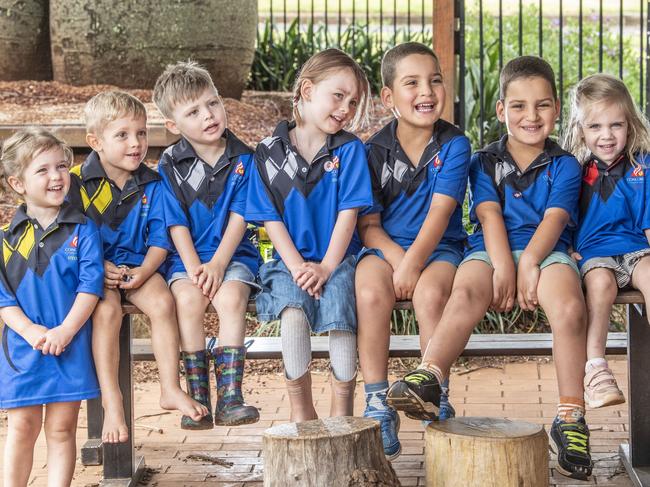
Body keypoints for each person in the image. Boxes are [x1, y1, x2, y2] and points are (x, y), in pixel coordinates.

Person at [387, 56, 593, 480]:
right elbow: (487, 215)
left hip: (548, 252)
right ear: (501, 110)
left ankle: (570, 418)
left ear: (556, 109)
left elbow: (554, 220)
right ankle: (429, 376)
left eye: (541, 106)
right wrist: (503, 266)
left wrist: (530, 263)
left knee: (571, 308)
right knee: (463, 293)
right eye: (518, 106)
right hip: (489, 250)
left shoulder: (566, 165)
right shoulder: (483, 160)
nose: (530, 116)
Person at [68, 91, 207, 443]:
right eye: (123, 135)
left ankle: (170, 387)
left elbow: (162, 238)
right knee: (106, 313)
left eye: (142, 133)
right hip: (93, 271)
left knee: (163, 303)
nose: (136, 143)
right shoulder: (76, 185)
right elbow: (68, 236)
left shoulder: (152, 184)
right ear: (95, 141)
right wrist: (99, 265)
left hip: (140, 268)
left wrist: (144, 272)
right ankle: (111, 400)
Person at [355, 42, 471, 459]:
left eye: (434, 80)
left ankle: (432, 388)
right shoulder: (371, 151)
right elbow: (368, 226)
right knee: (369, 292)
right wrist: (399, 262)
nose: (427, 90)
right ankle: (377, 400)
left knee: (430, 293)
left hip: (439, 249)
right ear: (389, 98)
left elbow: (441, 214)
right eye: (412, 83)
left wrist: (414, 265)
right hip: (386, 251)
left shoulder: (455, 145)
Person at [245, 48, 372, 422]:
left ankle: (342, 413)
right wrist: (301, 267)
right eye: (338, 96)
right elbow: (270, 220)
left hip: (340, 259)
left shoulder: (349, 150)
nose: (345, 108)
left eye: (352, 102)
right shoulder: (268, 153)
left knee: (341, 316)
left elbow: (349, 214)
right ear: (306, 90)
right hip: (289, 262)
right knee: (294, 313)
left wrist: (327, 267)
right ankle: (302, 412)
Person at [153, 61, 260, 429]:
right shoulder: (170, 163)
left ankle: (230, 396)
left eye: (213, 103)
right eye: (193, 111)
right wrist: (196, 267)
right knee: (186, 300)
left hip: (233, 254)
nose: (208, 115)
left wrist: (217, 264)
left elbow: (241, 216)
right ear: (173, 126)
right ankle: (197, 396)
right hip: (188, 257)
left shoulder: (245, 158)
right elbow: (175, 222)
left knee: (231, 298)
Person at [0, 129, 103, 486]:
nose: (56, 177)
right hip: (22, 351)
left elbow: (90, 286)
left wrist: (66, 330)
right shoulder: (4, 240)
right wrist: (30, 332)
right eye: (42, 170)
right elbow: (4, 300)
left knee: (62, 429)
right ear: (18, 183)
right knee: (22, 428)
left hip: (69, 346)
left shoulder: (83, 231)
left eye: (61, 167)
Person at [563, 73, 650, 408]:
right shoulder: (574, 170)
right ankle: (596, 369)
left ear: (629, 124)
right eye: (596, 127)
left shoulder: (641, 166)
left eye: (616, 125)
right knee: (600, 285)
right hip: (594, 254)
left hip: (636, 250)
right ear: (581, 129)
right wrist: (568, 250)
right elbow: (564, 217)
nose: (607, 135)